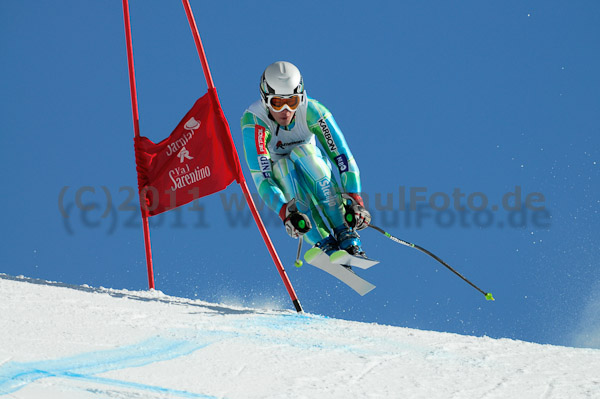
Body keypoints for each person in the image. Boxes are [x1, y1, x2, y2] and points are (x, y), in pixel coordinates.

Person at [240, 61, 371, 261]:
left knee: (305, 153)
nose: (285, 111)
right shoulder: (255, 121)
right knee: (284, 167)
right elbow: (263, 178)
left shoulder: (313, 111)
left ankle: (345, 232)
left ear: (300, 98)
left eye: (291, 102)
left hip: (312, 165)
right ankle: (322, 241)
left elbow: (343, 158)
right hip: (282, 174)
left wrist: (355, 200)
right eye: (277, 102)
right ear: (265, 100)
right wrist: (285, 212)